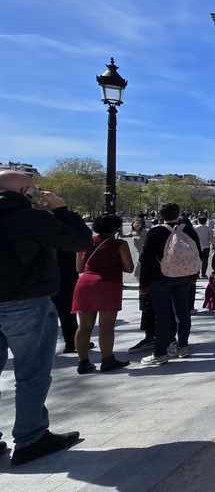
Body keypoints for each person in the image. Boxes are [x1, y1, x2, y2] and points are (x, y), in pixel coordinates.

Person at [0, 170, 91, 464]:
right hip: (26, 302)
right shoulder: (32, 218)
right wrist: (61, 209)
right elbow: (79, 241)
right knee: (31, 374)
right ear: (26, 191)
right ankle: (30, 438)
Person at [138, 203, 201, 366]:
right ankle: (182, 347)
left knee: (162, 316)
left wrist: (143, 283)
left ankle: (160, 353)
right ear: (178, 214)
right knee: (183, 313)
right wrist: (194, 275)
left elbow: (146, 259)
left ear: (161, 215)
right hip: (184, 276)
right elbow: (197, 254)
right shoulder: (188, 230)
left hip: (160, 278)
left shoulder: (155, 231)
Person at [73, 214, 134, 374]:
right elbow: (129, 268)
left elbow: (79, 268)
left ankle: (83, 362)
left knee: (84, 326)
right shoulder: (119, 244)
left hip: (85, 284)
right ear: (116, 228)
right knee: (106, 326)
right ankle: (107, 360)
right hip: (108, 283)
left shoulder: (85, 242)